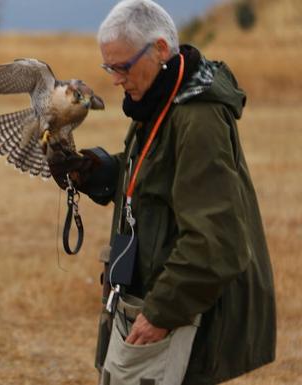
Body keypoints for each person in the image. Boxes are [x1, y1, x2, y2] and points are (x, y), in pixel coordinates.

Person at [48, 0, 276, 384]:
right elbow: (157, 175)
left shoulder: (197, 117)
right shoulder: (160, 97)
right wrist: (97, 172)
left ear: (160, 49)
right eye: (109, 67)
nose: (116, 79)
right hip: (154, 296)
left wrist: (162, 312)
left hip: (188, 314)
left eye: (122, 66)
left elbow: (217, 240)